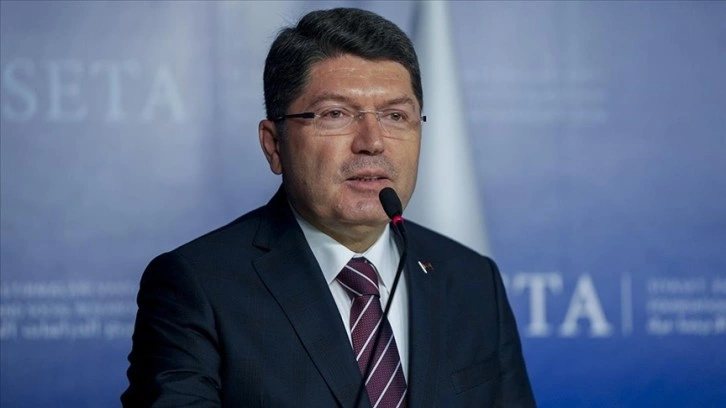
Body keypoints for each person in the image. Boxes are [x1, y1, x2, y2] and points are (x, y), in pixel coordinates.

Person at [122, 7, 535, 407]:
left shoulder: (473, 280)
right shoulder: (198, 286)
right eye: (335, 114)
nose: (372, 142)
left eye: (395, 116)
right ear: (274, 145)